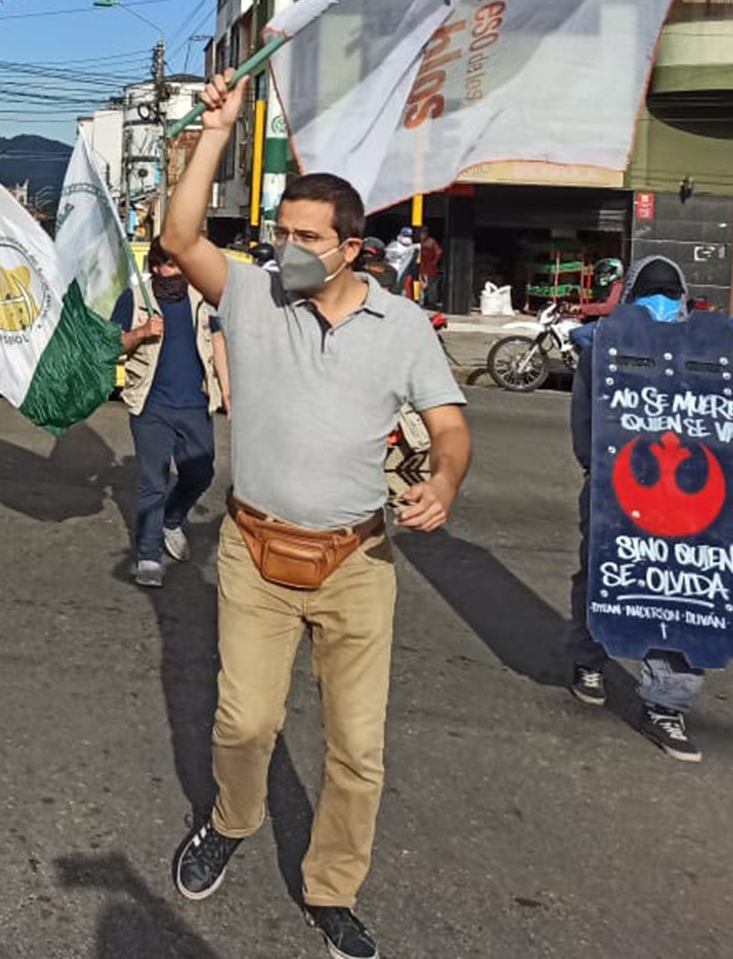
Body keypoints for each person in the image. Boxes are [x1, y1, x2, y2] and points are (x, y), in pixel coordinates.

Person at [160, 67, 471, 959]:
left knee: (357, 751)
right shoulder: (255, 296)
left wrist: (444, 482)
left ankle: (332, 889)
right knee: (246, 723)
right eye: (279, 231)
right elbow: (181, 236)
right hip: (254, 554)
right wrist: (215, 128)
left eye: (304, 236)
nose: (284, 247)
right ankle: (230, 820)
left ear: (350, 248)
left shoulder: (402, 328)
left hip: (358, 564)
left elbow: (449, 429)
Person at [565, 257, 715, 762]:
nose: (660, 301)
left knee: (679, 588)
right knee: (606, 574)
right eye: (653, 292)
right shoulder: (600, 347)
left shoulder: (705, 350)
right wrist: (601, 475)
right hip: (615, 487)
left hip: (685, 493)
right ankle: (591, 658)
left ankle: (667, 702)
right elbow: (585, 420)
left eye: (669, 292)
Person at [118, 243, 229, 588]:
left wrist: (227, 390)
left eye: (180, 264)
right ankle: (148, 556)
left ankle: (172, 519)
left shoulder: (201, 297)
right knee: (153, 481)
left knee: (201, 471)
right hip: (151, 405)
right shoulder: (135, 298)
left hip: (196, 403)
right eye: (168, 265)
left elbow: (219, 339)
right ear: (154, 267)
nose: (176, 272)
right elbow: (111, 344)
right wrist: (140, 333)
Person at [385, 227, 418, 293]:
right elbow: (387, 257)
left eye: (409, 236)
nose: (407, 238)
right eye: (405, 236)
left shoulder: (413, 248)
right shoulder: (393, 246)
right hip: (392, 273)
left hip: (403, 275)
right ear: (400, 236)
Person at [417, 226, 443, 309]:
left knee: (431, 287)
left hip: (429, 267)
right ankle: (422, 302)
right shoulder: (419, 242)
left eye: (422, 233)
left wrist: (434, 262)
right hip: (421, 267)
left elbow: (439, 252)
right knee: (421, 286)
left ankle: (431, 303)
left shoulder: (431, 242)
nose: (421, 235)